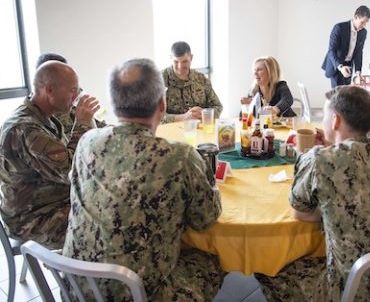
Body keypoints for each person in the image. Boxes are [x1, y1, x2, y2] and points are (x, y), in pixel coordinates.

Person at [62, 58, 224, 300]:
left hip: (77, 287)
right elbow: (206, 218)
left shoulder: (86, 142)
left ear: (115, 105)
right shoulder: (180, 157)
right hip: (140, 293)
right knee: (212, 259)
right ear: (162, 103)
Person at [255, 85, 370, 301]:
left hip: (351, 290)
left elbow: (300, 213)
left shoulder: (319, 158)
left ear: (335, 121)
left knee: (266, 265)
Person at [0, 61, 99, 248]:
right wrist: (83, 123)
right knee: (105, 225)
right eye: (73, 90)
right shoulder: (26, 128)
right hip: (33, 217)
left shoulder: (45, 117)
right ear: (50, 90)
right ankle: (75, 274)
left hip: (51, 201)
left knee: (108, 207)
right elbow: (70, 171)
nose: (77, 96)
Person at [35, 52, 107, 133]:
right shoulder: (31, 123)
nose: (75, 94)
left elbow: (100, 125)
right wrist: (82, 124)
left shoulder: (73, 99)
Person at [161, 41, 223, 123]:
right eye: (176, 62)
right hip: (168, 133)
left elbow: (217, 106)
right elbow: (152, 116)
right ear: (170, 58)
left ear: (191, 58)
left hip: (198, 132)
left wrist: (203, 114)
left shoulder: (201, 79)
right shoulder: (159, 80)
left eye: (184, 61)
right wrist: (183, 117)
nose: (180, 67)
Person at [322, 5, 370, 88]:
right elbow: (331, 51)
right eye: (362, 22)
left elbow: (359, 53)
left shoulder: (363, 32)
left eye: (366, 23)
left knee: (347, 94)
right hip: (336, 65)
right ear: (356, 17)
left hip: (349, 66)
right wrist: (341, 67)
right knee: (338, 95)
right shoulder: (339, 28)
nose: (364, 25)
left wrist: (358, 73)